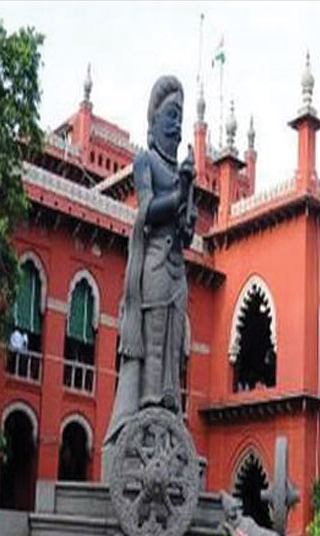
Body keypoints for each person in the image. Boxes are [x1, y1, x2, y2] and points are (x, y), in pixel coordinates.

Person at [103, 76, 196, 476]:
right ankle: (145, 433)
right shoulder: (146, 162)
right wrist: (180, 191)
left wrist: (187, 193)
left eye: (181, 117)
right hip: (154, 268)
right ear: (154, 119)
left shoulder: (180, 171)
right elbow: (146, 210)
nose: (177, 125)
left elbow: (187, 232)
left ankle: (168, 433)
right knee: (153, 352)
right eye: (171, 115)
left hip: (176, 275)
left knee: (173, 356)